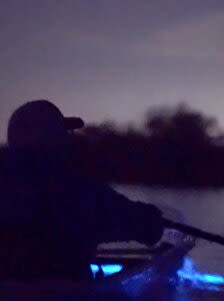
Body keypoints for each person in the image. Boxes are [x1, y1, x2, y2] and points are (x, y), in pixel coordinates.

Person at [0, 100, 165, 280]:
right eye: (64, 133)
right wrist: (153, 218)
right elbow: (145, 227)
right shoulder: (73, 188)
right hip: (63, 300)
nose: (69, 138)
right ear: (54, 139)